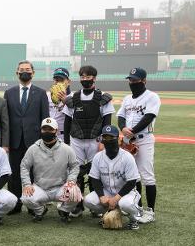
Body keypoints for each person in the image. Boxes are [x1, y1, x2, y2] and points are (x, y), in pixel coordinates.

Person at [63, 65, 114, 217]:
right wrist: (66, 143)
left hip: (95, 139)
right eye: (82, 77)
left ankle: (96, 205)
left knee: (95, 171)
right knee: (76, 172)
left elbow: (107, 121)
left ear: (94, 78)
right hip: (76, 139)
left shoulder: (103, 97)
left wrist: (104, 141)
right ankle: (78, 205)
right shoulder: (73, 97)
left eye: (88, 76)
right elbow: (67, 122)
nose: (85, 79)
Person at [3, 60, 49, 214]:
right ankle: (15, 204)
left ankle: (33, 204)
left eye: (28, 69)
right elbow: (6, 119)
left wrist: (45, 141)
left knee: (34, 174)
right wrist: (5, 141)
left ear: (33, 73)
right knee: (14, 173)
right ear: (17, 72)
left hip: (34, 141)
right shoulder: (9, 93)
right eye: (22, 69)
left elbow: (45, 119)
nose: (25, 72)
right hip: (14, 140)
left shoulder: (41, 93)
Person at [116, 68, 161, 224]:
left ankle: (151, 211)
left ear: (144, 81)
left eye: (136, 80)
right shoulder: (127, 98)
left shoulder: (152, 97)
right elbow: (120, 116)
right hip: (129, 140)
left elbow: (149, 117)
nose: (133, 82)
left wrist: (132, 131)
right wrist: (123, 129)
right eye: (131, 80)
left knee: (147, 175)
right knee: (132, 175)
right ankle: (138, 207)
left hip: (144, 139)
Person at [20, 118, 79, 223]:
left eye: (50, 129)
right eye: (44, 129)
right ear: (41, 130)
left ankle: (64, 210)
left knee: (75, 193)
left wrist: (71, 181)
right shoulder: (33, 149)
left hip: (61, 187)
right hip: (40, 187)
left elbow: (74, 166)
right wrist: (27, 184)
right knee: (25, 197)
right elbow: (24, 166)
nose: (47, 132)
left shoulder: (66, 149)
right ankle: (40, 210)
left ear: (56, 130)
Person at [84, 125, 142, 230]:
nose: (108, 140)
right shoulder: (98, 157)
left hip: (127, 192)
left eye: (111, 137)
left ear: (118, 139)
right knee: (88, 200)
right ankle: (109, 213)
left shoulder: (127, 157)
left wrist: (116, 199)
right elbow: (95, 179)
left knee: (126, 204)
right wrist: (102, 196)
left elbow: (132, 181)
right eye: (105, 137)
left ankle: (135, 218)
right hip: (107, 191)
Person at [47, 68, 72, 141]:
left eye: (61, 80)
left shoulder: (74, 97)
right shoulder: (47, 96)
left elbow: (76, 119)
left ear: (69, 82)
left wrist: (66, 102)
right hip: (49, 136)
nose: (58, 83)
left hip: (65, 136)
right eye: (56, 80)